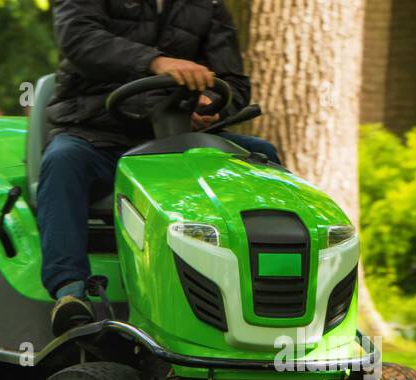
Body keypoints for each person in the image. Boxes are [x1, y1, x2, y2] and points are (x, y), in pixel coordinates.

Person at [40, 0, 281, 335]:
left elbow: (234, 84)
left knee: (261, 158)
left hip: (177, 138)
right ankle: (71, 294)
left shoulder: (208, 6)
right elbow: (80, 40)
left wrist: (209, 107)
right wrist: (156, 62)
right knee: (62, 160)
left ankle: (271, 293)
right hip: (97, 133)